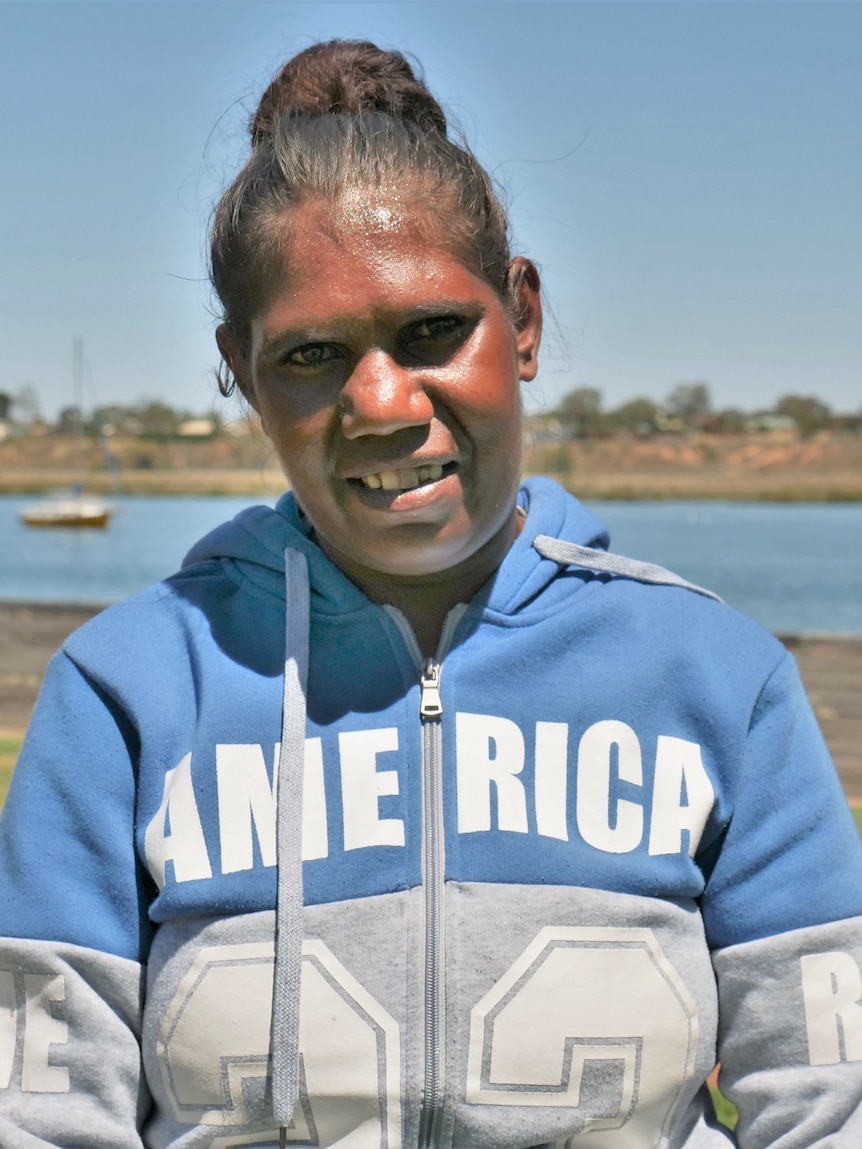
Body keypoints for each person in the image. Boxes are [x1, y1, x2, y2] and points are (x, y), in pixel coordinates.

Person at [1, 38, 861, 1149]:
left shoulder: (716, 679)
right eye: (309, 353)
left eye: (431, 333)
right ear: (238, 365)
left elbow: (829, 1106)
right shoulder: (121, 698)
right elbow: (41, 1118)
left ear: (525, 319)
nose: (379, 402)